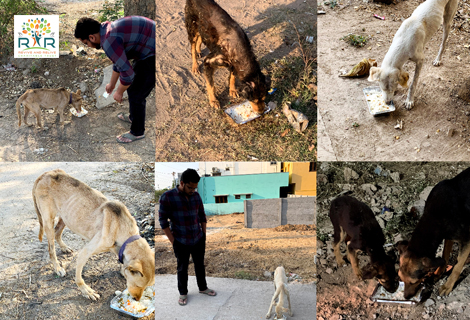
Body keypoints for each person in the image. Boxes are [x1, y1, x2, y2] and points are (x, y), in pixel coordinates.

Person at [74, 16, 155, 143]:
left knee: (137, 93)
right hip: (147, 45)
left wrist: (119, 92)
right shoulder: (106, 30)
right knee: (134, 89)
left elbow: (128, 74)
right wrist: (111, 84)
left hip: (154, 50)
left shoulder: (108, 41)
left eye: (86, 43)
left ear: (91, 37)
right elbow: (119, 61)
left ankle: (138, 132)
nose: (88, 46)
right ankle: (134, 117)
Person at [159, 169, 217, 306]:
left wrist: (203, 235)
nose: (193, 190)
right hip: (180, 240)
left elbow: (202, 216)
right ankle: (183, 293)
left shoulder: (196, 196)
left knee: (200, 265)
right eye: (190, 187)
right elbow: (163, 221)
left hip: (198, 238)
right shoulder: (167, 197)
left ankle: (203, 288)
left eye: (195, 188)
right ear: (182, 183)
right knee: (182, 267)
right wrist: (174, 242)